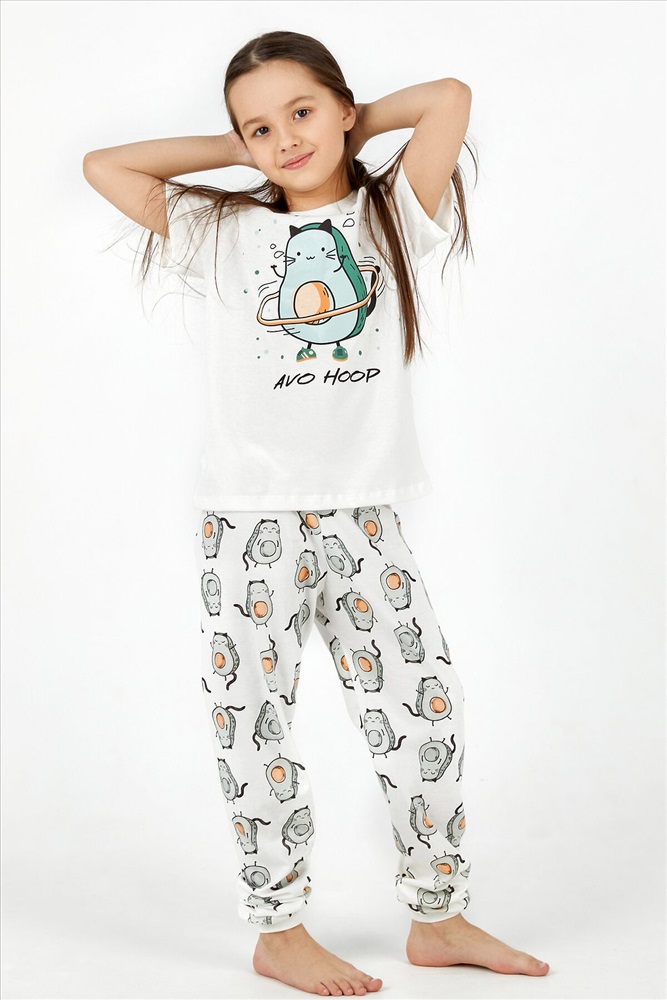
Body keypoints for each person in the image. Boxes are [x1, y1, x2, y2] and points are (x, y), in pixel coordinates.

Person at [83, 29, 550, 998]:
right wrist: (241, 150)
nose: (283, 138)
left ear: (341, 106)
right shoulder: (221, 233)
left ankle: (438, 914)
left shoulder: (391, 218)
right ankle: (279, 929)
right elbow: (104, 165)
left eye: (301, 111)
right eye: (259, 126)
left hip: (362, 518)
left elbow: (447, 96)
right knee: (252, 724)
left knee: (424, 710)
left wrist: (345, 129)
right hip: (247, 523)